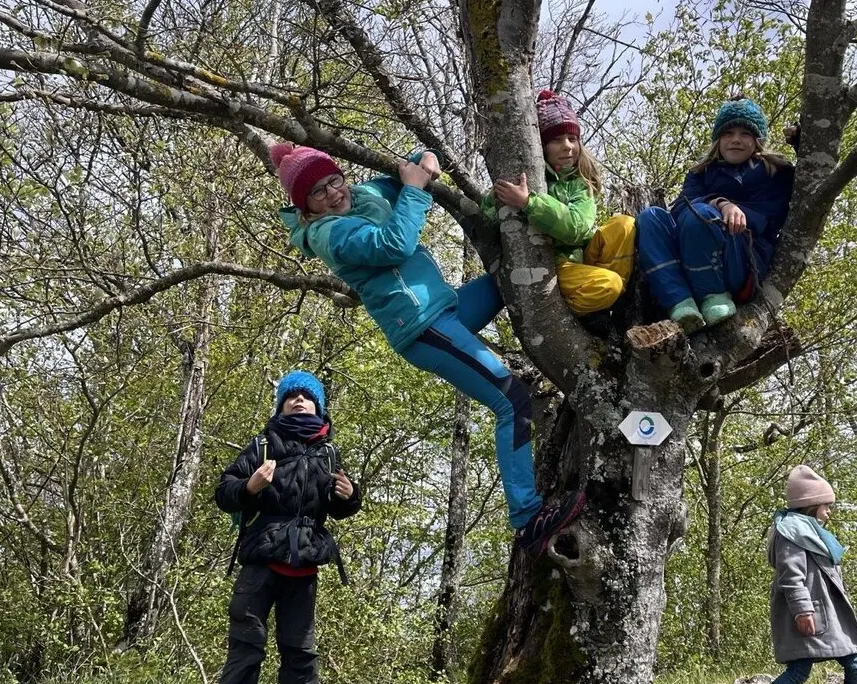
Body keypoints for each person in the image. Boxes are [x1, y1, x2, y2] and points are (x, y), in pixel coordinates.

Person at [270, 142, 584, 557]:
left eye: (334, 180)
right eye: (318, 193)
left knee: (515, 277)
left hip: (445, 307)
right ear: (307, 208)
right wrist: (416, 189)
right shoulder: (329, 234)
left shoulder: (363, 193)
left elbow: (410, 169)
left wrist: (425, 159)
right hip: (422, 327)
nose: (333, 193)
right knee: (513, 401)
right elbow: (394, 244)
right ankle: (528, 520)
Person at [214, 370, 361, 684]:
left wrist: (350, 497)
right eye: (292, 396)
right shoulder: (262, 446)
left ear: (318, 407)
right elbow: (224, 493)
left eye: (308, 397)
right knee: (245, 653)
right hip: (259, 566)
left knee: (301, 660)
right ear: (281, 405)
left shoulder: (329, 454)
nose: (300, 400)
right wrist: (249, 487)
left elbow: (338, 509)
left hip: (303, 570)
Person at [636, 97, 796, 332]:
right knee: (651, 217)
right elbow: (681, 207)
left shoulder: (776, 172)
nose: (736, 140)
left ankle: (713, 296)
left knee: (701, 213)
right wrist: (721, 203)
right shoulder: (701, 173)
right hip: (694, 251)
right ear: (718, 139)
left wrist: (801, 141)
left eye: (745, 133)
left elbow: (811, 183)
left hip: (740, 260)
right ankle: (680, 303)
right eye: (728, 133)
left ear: (758, 140)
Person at [484, 89, 635, 321]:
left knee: (624, 224)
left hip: (582, 258)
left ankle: (609, 304)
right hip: (556, 266)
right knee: (608, 285)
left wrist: (530, 203)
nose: (567, 146)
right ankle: (588, 309)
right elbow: (488, 219)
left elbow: (578, 228)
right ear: (540, 146)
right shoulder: (525, 178)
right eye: (556, 140)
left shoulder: (580, 183)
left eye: (572, 139)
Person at [767, 465, 857, 684]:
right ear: (811, 505)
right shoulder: (791, 533)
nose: (829, 511)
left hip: (824, 612)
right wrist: (803, 611)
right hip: (810, 612)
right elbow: (791, 576)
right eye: (826, 506)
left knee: (854, 663)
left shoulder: (809, 532)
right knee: (799, 672)